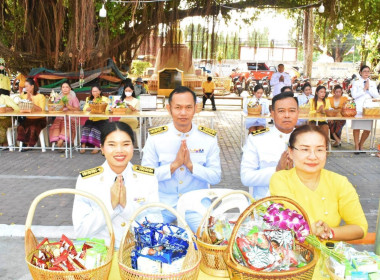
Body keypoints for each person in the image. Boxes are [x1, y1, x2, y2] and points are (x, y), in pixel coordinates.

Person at [270, 124, 367, 279]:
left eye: (319, 149)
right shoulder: (281, 179)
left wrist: (330, 232)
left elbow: (360, 228)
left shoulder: (339, 182)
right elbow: (290, 220)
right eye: (305, 149)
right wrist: (310, 229)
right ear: (290, 152)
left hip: (330, 267)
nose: (313, 156)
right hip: (291, 266)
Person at [73, 121, 161, 279]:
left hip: (138, 257)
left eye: (126, 144)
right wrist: (110, 206)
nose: (119, 150)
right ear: (102, 148)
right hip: (100, 258)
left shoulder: (148, 178)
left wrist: (127, 206)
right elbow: (81, 231)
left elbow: (155, 226)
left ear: (132, 147)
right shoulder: (87, 180)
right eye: (112, 144)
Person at [142, 86, 221, 232]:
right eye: (178, 107)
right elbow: (145, 176)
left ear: (196, 108)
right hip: (163, 204)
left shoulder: (208, 138)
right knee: (146, 237)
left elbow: (215, 177)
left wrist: (191, 166)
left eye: (188, 107)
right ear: (168, 108)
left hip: (195, 204)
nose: (183, 113)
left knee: (210, 239)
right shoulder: (156, 137)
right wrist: (173, 166)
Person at [240, 92, 299, 200]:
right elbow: (246, 177)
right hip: (265, 204)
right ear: (272, 113)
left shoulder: (307, 139)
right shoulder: (257, 139)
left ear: (298, 113)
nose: (287, 115)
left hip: (300, 202)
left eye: (292, 111)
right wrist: (276, 170)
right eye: (281, 111)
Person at [351, 65, 380, 153]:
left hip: (369, 108)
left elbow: (376, 96)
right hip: (358, 108)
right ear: (360, 72)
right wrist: (364, 89)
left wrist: (369, 88)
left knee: (367, 129)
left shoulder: (373, 83)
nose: (366, 73)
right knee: (356, 128)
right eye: (364, 71)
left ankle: (361, 144)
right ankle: (356, 146)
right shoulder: (355, 82)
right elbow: (354, 95)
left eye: (368, 71)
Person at [17, 78, 47, 151]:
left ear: (32, 86)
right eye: (25, 86)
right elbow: (20, 108)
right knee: (21, 127)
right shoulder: (24, 96)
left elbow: (41, 110)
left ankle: (30, 144)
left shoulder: (40, 96)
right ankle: (25, 143)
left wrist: (32, 103)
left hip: (40, 119)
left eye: (27, 86)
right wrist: (27, 99)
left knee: (33, 127)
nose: (25, 88)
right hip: (28, 119)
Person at [49, 82, 80, 151]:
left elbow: (78, 109)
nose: (65, 89)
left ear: (70, 88)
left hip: (70, 118)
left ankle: (60, 141)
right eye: (63, 87)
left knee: (66, 124)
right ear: (61, 89)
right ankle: (59, 142)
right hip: (60, 117)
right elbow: (55, 108)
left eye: (67, 87)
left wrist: (69, 107)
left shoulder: (73, 98)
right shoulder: (58, 98)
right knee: (56, 124)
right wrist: (54, 106)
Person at [80, 85, 110, 154]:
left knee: (95, 129)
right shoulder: (89, 99)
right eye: (93, 91)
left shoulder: (105, 99)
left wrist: (97, 107)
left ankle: (97, 147)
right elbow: (85, 109)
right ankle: (83, 146)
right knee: (85, 128)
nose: (94, 93)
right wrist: (92, 107)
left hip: (102, 120)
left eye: (96, 91)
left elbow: (107, 108)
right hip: (92, 119)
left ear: (100, 91)